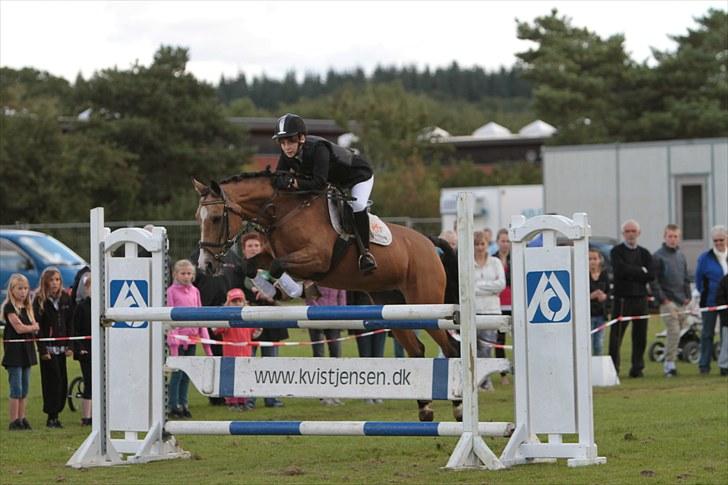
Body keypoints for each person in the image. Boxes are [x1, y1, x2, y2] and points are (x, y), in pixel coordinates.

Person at [272, 113, 377, 273]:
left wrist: (293, 182)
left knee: (357, 205)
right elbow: (278, 178)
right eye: (283, 142)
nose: (287, 147)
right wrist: (283, 182)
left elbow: (318, 183)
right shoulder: (288, 154)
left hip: (358, 176)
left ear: (301, 138)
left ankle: (365, 254)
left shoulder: (318, 148)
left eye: (291, 141)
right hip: (336, 183)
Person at [241, 232, 287, 409]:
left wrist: (270, 296)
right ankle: (249, 399)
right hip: (249, 320)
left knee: (271, 362)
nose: (253, 249)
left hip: (270, 318)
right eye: (250, 246)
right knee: (249, 361)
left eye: (256, 246)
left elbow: (284, 292)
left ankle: (272, 398)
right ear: (244, 250)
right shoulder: (240, 269)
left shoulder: (272, 268)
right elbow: (235, 289)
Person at [166, 259, 213, 418]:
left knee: (187, 374)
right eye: (183, 273)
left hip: (192, 339)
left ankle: (184, 403)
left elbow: (200, 317)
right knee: (177, 373)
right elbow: (169, 317)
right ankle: (174, 405)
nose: (186, 276)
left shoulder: (195, 292)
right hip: (178, 341)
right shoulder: (171, 292)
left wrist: (206, 345)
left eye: (189, 273)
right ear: (175, 274)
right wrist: (173, 343)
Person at [608, 219, 654, 378]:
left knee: (640, 336)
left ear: (639, 233)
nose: (631, 234)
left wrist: (634, 273)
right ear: (623, 234)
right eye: (627, 231)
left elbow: (651, 275)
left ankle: (637, 369)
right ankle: (613, 369)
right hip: (622, 300)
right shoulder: (616, 252)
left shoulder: (645, 253)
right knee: (616, 336)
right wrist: (640, 271)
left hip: (641, 299)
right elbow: (620, 271)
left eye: (633, 231)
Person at [33, 267, 74, 428]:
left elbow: (70, 322)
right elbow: (38, 327)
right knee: (52, 381)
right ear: (45, 282)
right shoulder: (39, 300)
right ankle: (51, 416)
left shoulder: (65, 298)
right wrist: (43, 349)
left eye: (57, 279)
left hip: (62, 348)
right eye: (52, 280)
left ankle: (58, 412)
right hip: (48, 349)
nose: (55, 283)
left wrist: (70, 345)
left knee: (62, 381)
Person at [651, 224, 691, 377]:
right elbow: (654, 282)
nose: (673, 239)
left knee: (677, 332)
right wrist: (664, 300)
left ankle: (670, 358)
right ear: (664, 237)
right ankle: (669, 365)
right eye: (670, 236)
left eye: (675, 236)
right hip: (667, 302)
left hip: (681, 301)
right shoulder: (658, 256)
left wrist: (687, 296)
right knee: (673, 331)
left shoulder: (681, 256)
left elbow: (685, 278)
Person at [2, 274, 40, 430]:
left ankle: (22, 417)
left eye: (25, 288)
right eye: (20, 288)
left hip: (27, 352)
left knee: (24, 388)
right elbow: (19, 328)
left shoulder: (28, 308)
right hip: (14, 354)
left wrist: (33, 328)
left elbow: (33, 327)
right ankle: (13, 420)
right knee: (16, 389)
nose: (23, 292)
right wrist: (33, 327)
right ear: (12, 290)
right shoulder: (9, 308)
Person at [473, 230, 505, 391]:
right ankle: (476, 382)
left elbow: (501, 284)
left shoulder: (495, 262)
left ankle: (485, 381)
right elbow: (467, 287)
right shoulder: (467, 263)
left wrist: (478, 287)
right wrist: (489, 287)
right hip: (474, 311)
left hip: (492, 311)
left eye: (482, 244)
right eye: (477, 244)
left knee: (487, 348)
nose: (480, 247)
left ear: (487, 244)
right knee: (474, 348)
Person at [305, 283, 346, 406]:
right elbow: (309, 297)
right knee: (319, 355)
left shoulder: (337, 278)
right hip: (316, 318)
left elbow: (342, 298)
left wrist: (343, 315)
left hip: (334, 318)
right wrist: (319, 314)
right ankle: (322, 393)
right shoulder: (312, 278)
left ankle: (335, 392)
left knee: (336, 354)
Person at [214, 288, 256, 410]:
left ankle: (243, 401)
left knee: (244, 376)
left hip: (246, 353)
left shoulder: (248, 318)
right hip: (230, 354)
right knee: (231, 377)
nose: (237, 304)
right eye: (234, 301)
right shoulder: (227, 318)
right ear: (228, 303)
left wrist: (258, 329)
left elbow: (254, 331)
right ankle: (232, 401)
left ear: (244, 302)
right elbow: (218, 330)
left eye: (239, 301)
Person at [695, 225, 727, 375]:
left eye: (721, 240)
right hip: (710, 302)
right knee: (707, 334)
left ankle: (724, 365)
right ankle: (704, 365)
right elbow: (699, 280)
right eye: (716, 240)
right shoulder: (705, 258)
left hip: (726, 303)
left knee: (725, 334)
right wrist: (704, 293)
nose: (719, 243)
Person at [347, 290, 385, 404]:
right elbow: (351, 301)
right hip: (362, 319)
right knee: (365, 357)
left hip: (380, 319)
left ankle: (377, 392)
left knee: (378, 357)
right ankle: (366, 393)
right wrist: (352, 325)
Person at [72, 272, 93, 425]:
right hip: (86, 350)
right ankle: (86, 416)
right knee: (89, 382)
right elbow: (76, 330)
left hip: (100, 349)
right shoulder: (81, 307)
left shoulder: (104, 307)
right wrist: (80, 348)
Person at [494, 228, 512, 384]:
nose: (505, 244)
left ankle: (519, 369)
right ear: (497, 242)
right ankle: (503, 373)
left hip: (514, 304)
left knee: (519, 340)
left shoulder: (516, 259)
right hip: (498, 305)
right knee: (499, 341)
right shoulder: (492, 260)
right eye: (502, 241)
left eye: (507, 241)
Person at [589, 247, 610, 356]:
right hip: (588, 315)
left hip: (601, 315)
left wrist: (605, 296)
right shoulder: (582, 275)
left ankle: (598, 367)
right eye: (590, 259)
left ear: (599, 260)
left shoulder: (604, 275)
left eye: (595, 258)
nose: (592, 261)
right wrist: (590, 296)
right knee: (587, 343)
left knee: (599, 343)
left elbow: (609, 292)